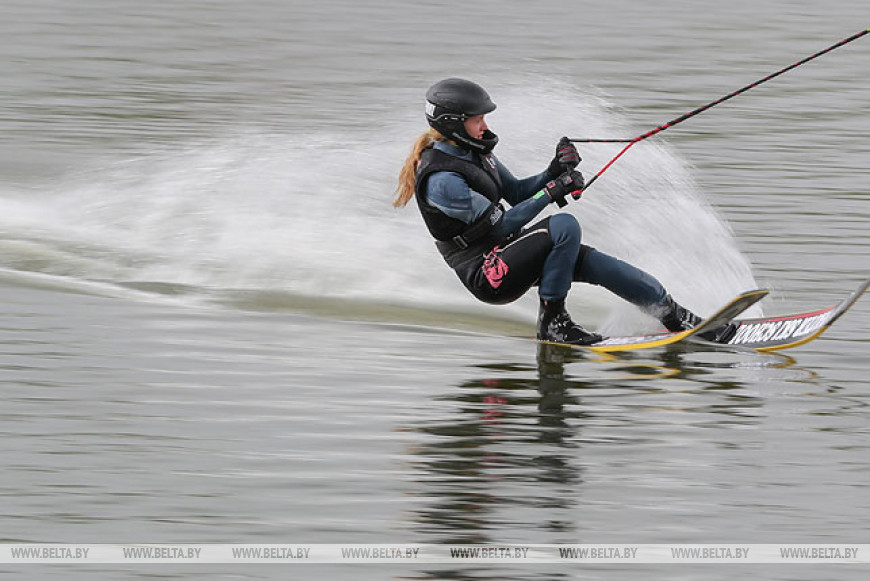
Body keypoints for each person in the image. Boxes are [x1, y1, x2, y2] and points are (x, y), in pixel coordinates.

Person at [394, 77, 729, 345]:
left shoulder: (474, 153)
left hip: (510, 251)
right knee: (564, 225)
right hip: (487, 272)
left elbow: (515, 192)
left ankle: (676, 317)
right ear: (454, 123)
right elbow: (498, 228)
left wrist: (553, 171)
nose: (484, 125)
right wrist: (552, 192)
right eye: (477, 119)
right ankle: (554, 323)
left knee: (604, 266)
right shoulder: (443, 179)